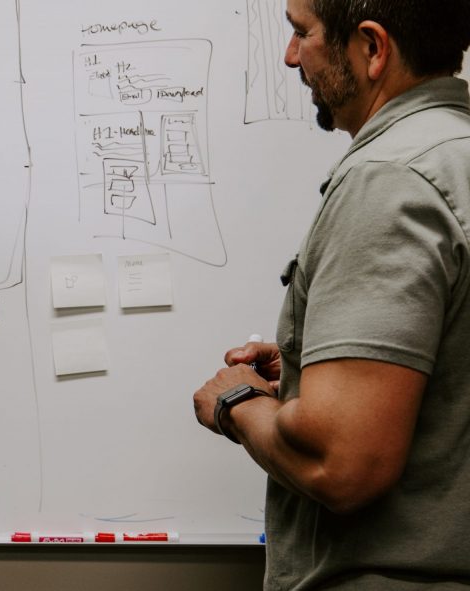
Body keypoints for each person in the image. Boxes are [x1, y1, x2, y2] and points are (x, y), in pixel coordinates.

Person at [192, 0, 470, 588]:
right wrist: (308, 363)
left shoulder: (391, 178)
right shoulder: (456, 152)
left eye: (302, 33)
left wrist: (236, 402)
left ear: (372, 47)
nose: (291, 56)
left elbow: (341, 464)